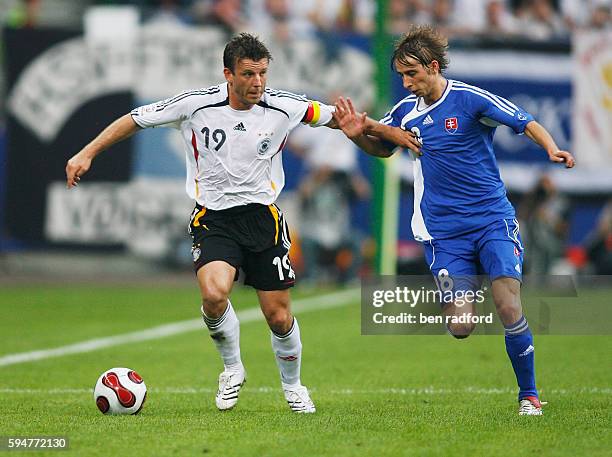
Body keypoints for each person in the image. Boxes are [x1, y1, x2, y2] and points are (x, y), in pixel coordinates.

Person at [65, 33, 408, 414]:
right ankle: (232, 369)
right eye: (248, 74)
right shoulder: (195, 105)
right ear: (228, 74)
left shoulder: (284, 106)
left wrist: (395, 136)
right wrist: (86, 152)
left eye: (262, 73)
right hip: (213, 218)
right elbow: (133, 119)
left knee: (278, 316)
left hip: (264, 218)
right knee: (214, 296)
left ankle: (293, 387)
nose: (257, 82)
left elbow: (343, 120)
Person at [332, 25, 575, 416]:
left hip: (491, 220)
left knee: (508, 306)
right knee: (461, 326)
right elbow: (381, 149)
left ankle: (528, 395)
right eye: (401, 77)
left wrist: (552, 148)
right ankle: (467, 286)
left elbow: (524, 120)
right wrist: (357, 134)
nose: (406, 83)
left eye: (412, 74)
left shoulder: (467, 99)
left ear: (432, 66)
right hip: (444, 232)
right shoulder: (404, 114)